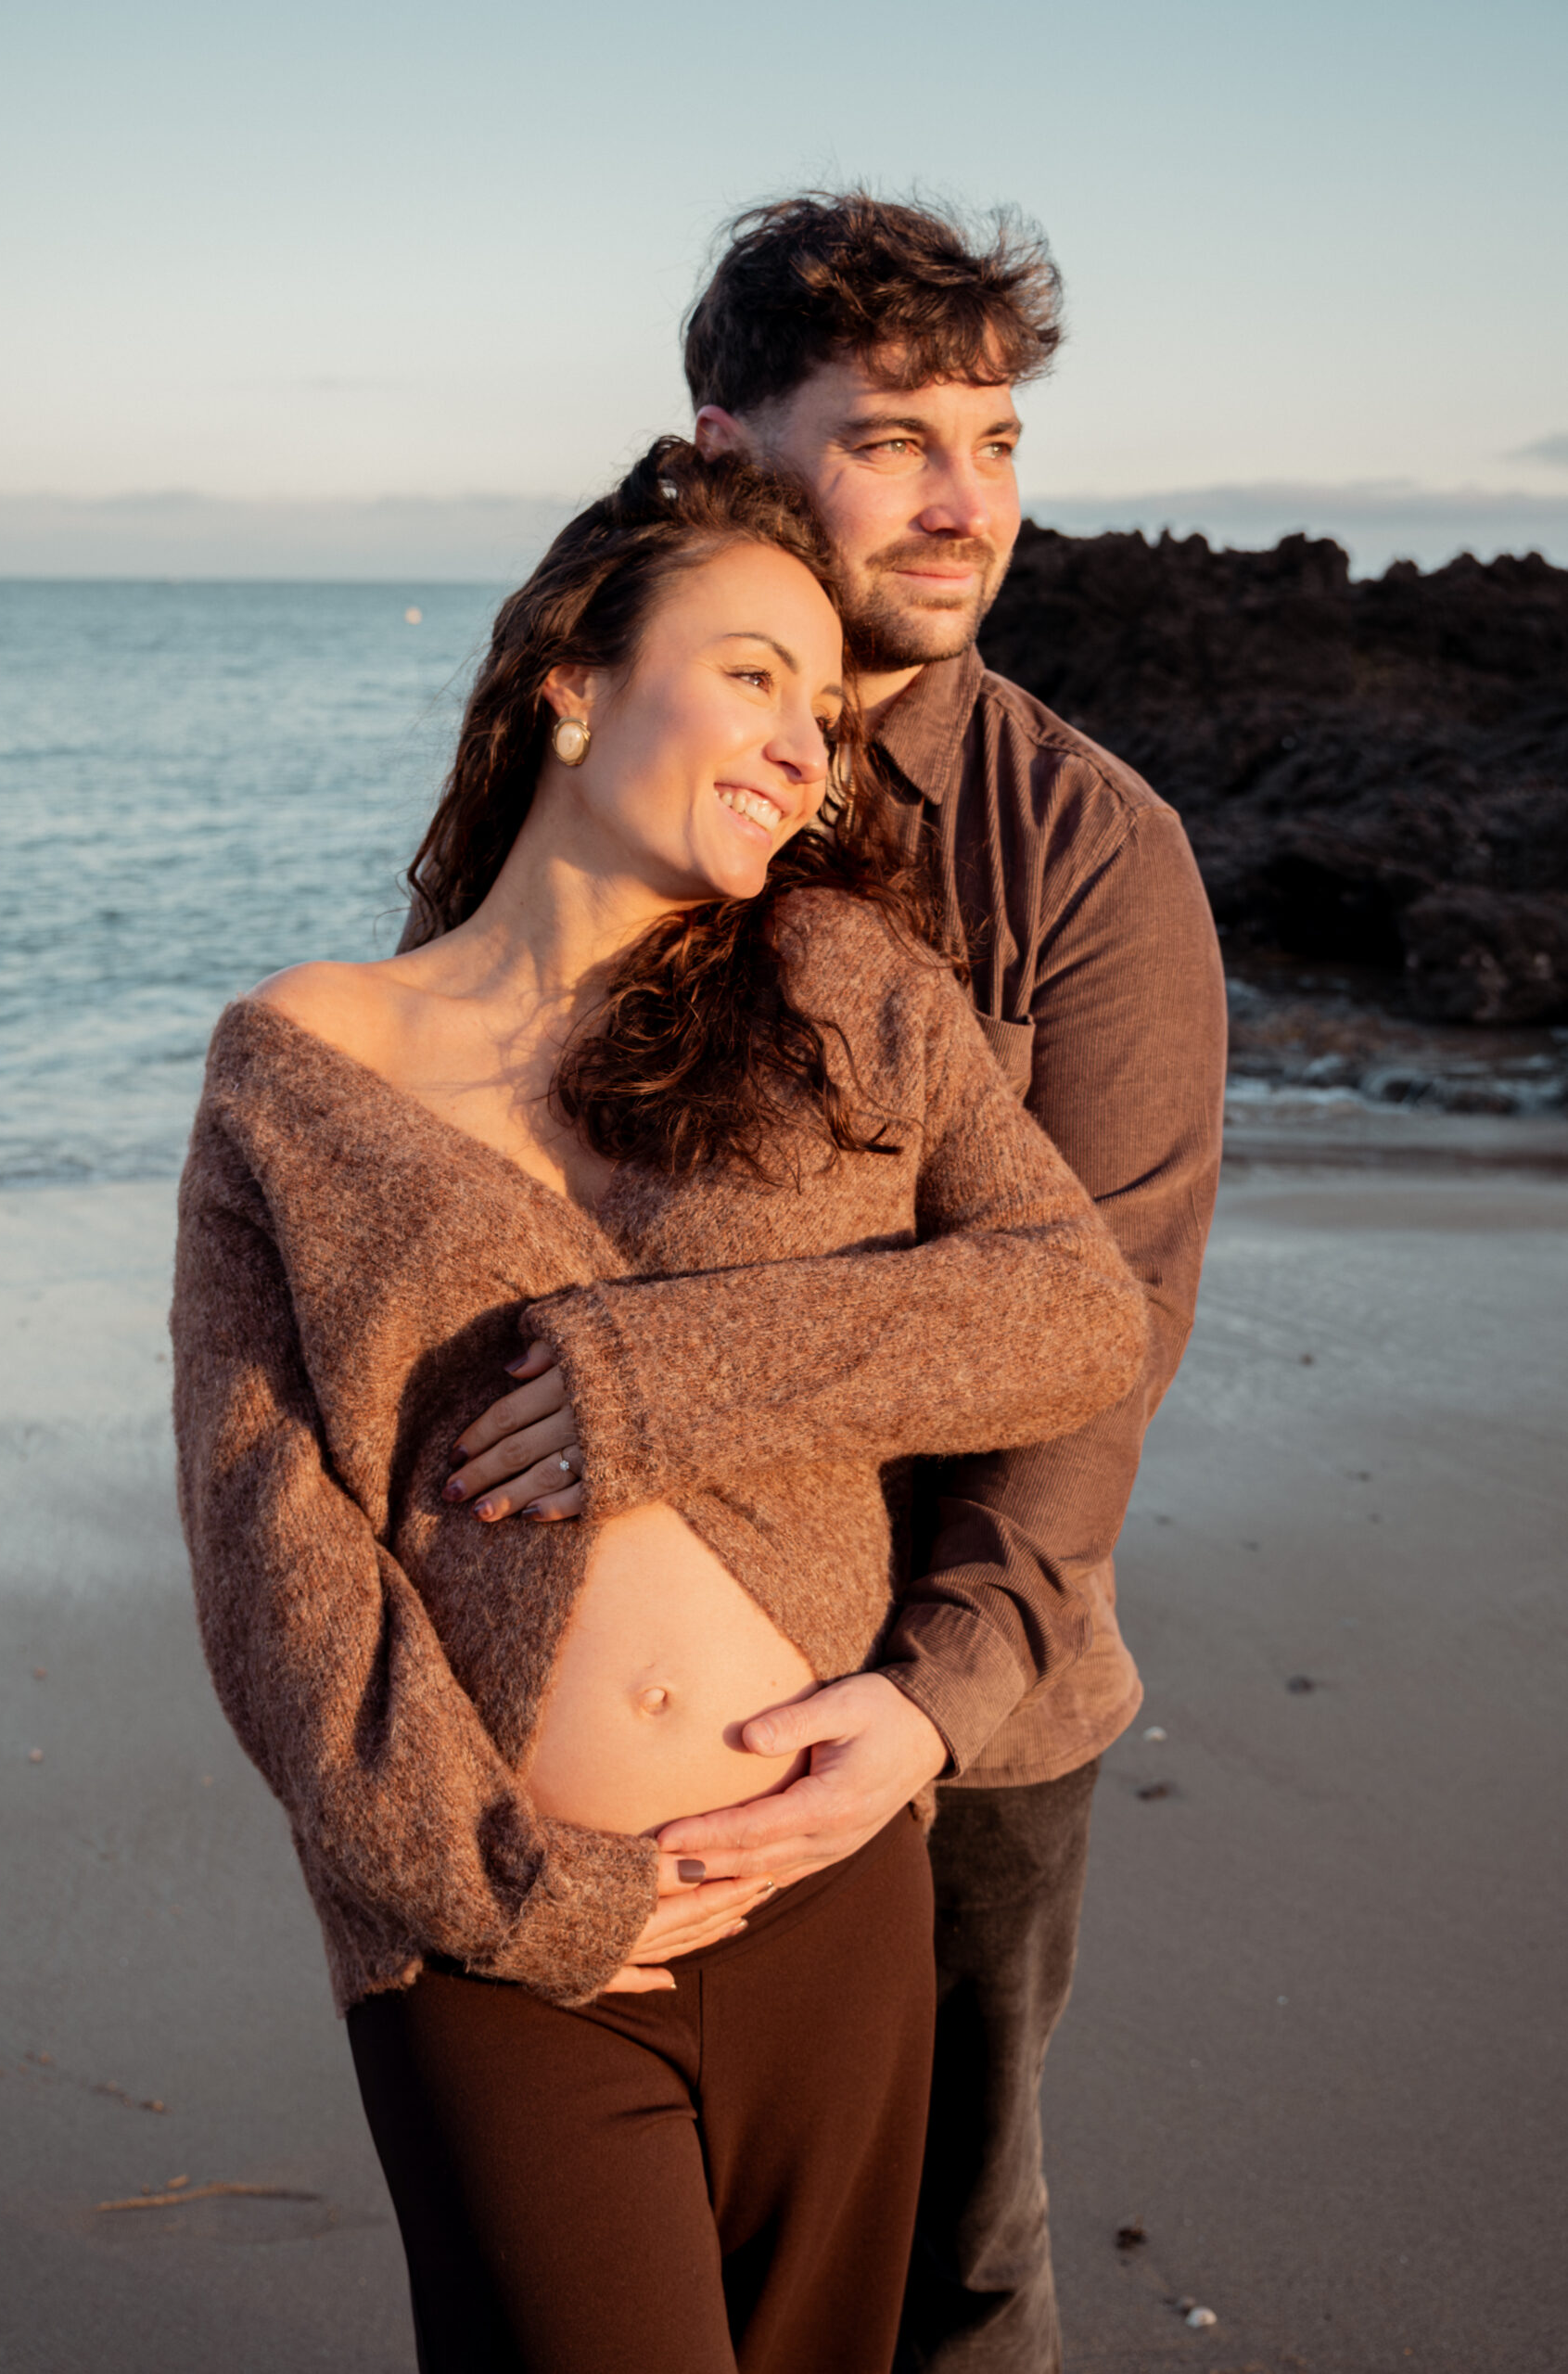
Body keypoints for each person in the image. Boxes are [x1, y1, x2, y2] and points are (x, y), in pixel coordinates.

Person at [171, 441, 1149, 2374]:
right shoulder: (297, 1064)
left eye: (825, 703)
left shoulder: (840, 982)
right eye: (755, 672)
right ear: (573, 676)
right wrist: (500, 1893)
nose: (807, 743)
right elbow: (274, 1562)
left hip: (825, 1885)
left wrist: (653, 1378)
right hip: (500, 1934)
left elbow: (1070, 1309)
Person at [443, 197, 1228, 2372]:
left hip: (936, 1716)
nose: (968, 496)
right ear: (729, 448)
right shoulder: (592, 781)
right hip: (589, 1703)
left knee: (937, 2278)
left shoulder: (1087, 853)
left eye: (993, 435)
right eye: (893, 435)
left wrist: (926, 1691)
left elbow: (1097, 1328)